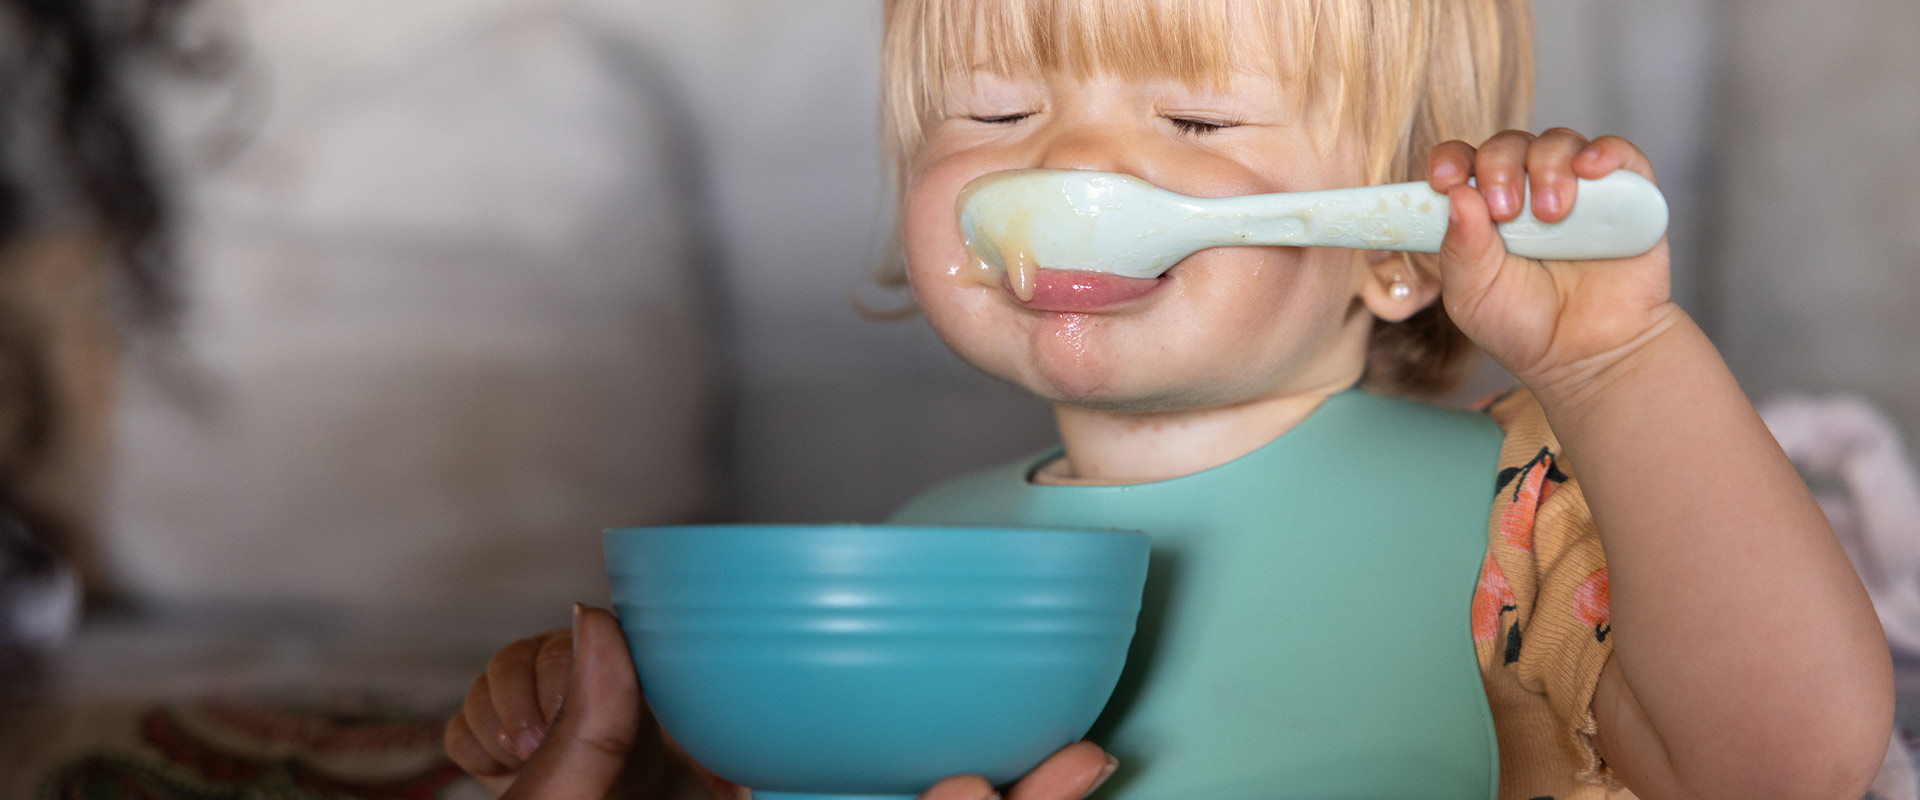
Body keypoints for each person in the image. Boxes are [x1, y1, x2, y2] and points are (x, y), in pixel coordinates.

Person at [445, 0, 1895, 797]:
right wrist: (621, 745)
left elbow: (1789, 769)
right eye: (997, 115)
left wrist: (1615, 361)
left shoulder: (1527, 509)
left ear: (1395, 243)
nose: (1073, 163)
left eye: (1196, 118)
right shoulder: (913, 558)